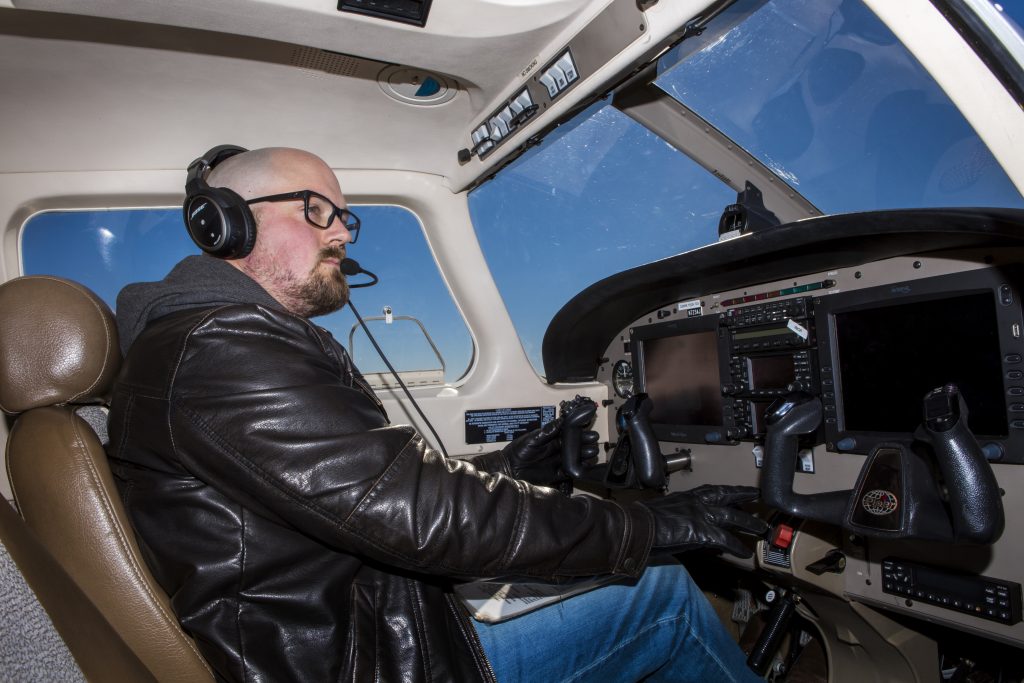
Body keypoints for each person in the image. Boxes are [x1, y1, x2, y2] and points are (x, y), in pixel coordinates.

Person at [107, 146, 768, 682]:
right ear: (226, 221)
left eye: (343, 216)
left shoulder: (204, 343)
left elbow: (362, 491)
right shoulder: (224, 347)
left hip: (356, 626)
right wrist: (653, 524)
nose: (341, 231)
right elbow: (419, 515)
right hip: (365, 660)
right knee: (664, 595)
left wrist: (511, 462)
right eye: (316, 210)